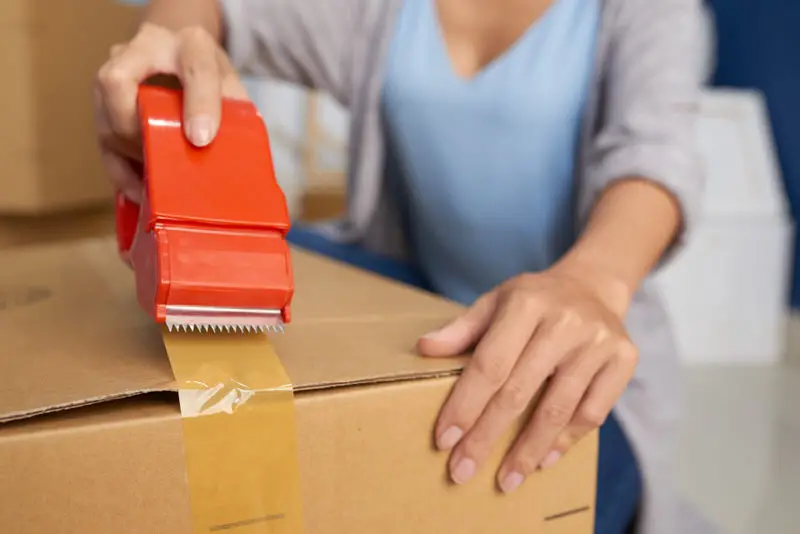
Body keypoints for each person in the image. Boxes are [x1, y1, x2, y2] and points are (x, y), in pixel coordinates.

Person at [93, 1, 714, 533]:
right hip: (422, 310)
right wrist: (174, 45)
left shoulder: (645, 12)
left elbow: (655, 158)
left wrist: (592, 280)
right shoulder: (388, 10)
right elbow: (219, 8)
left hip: (585, 349)